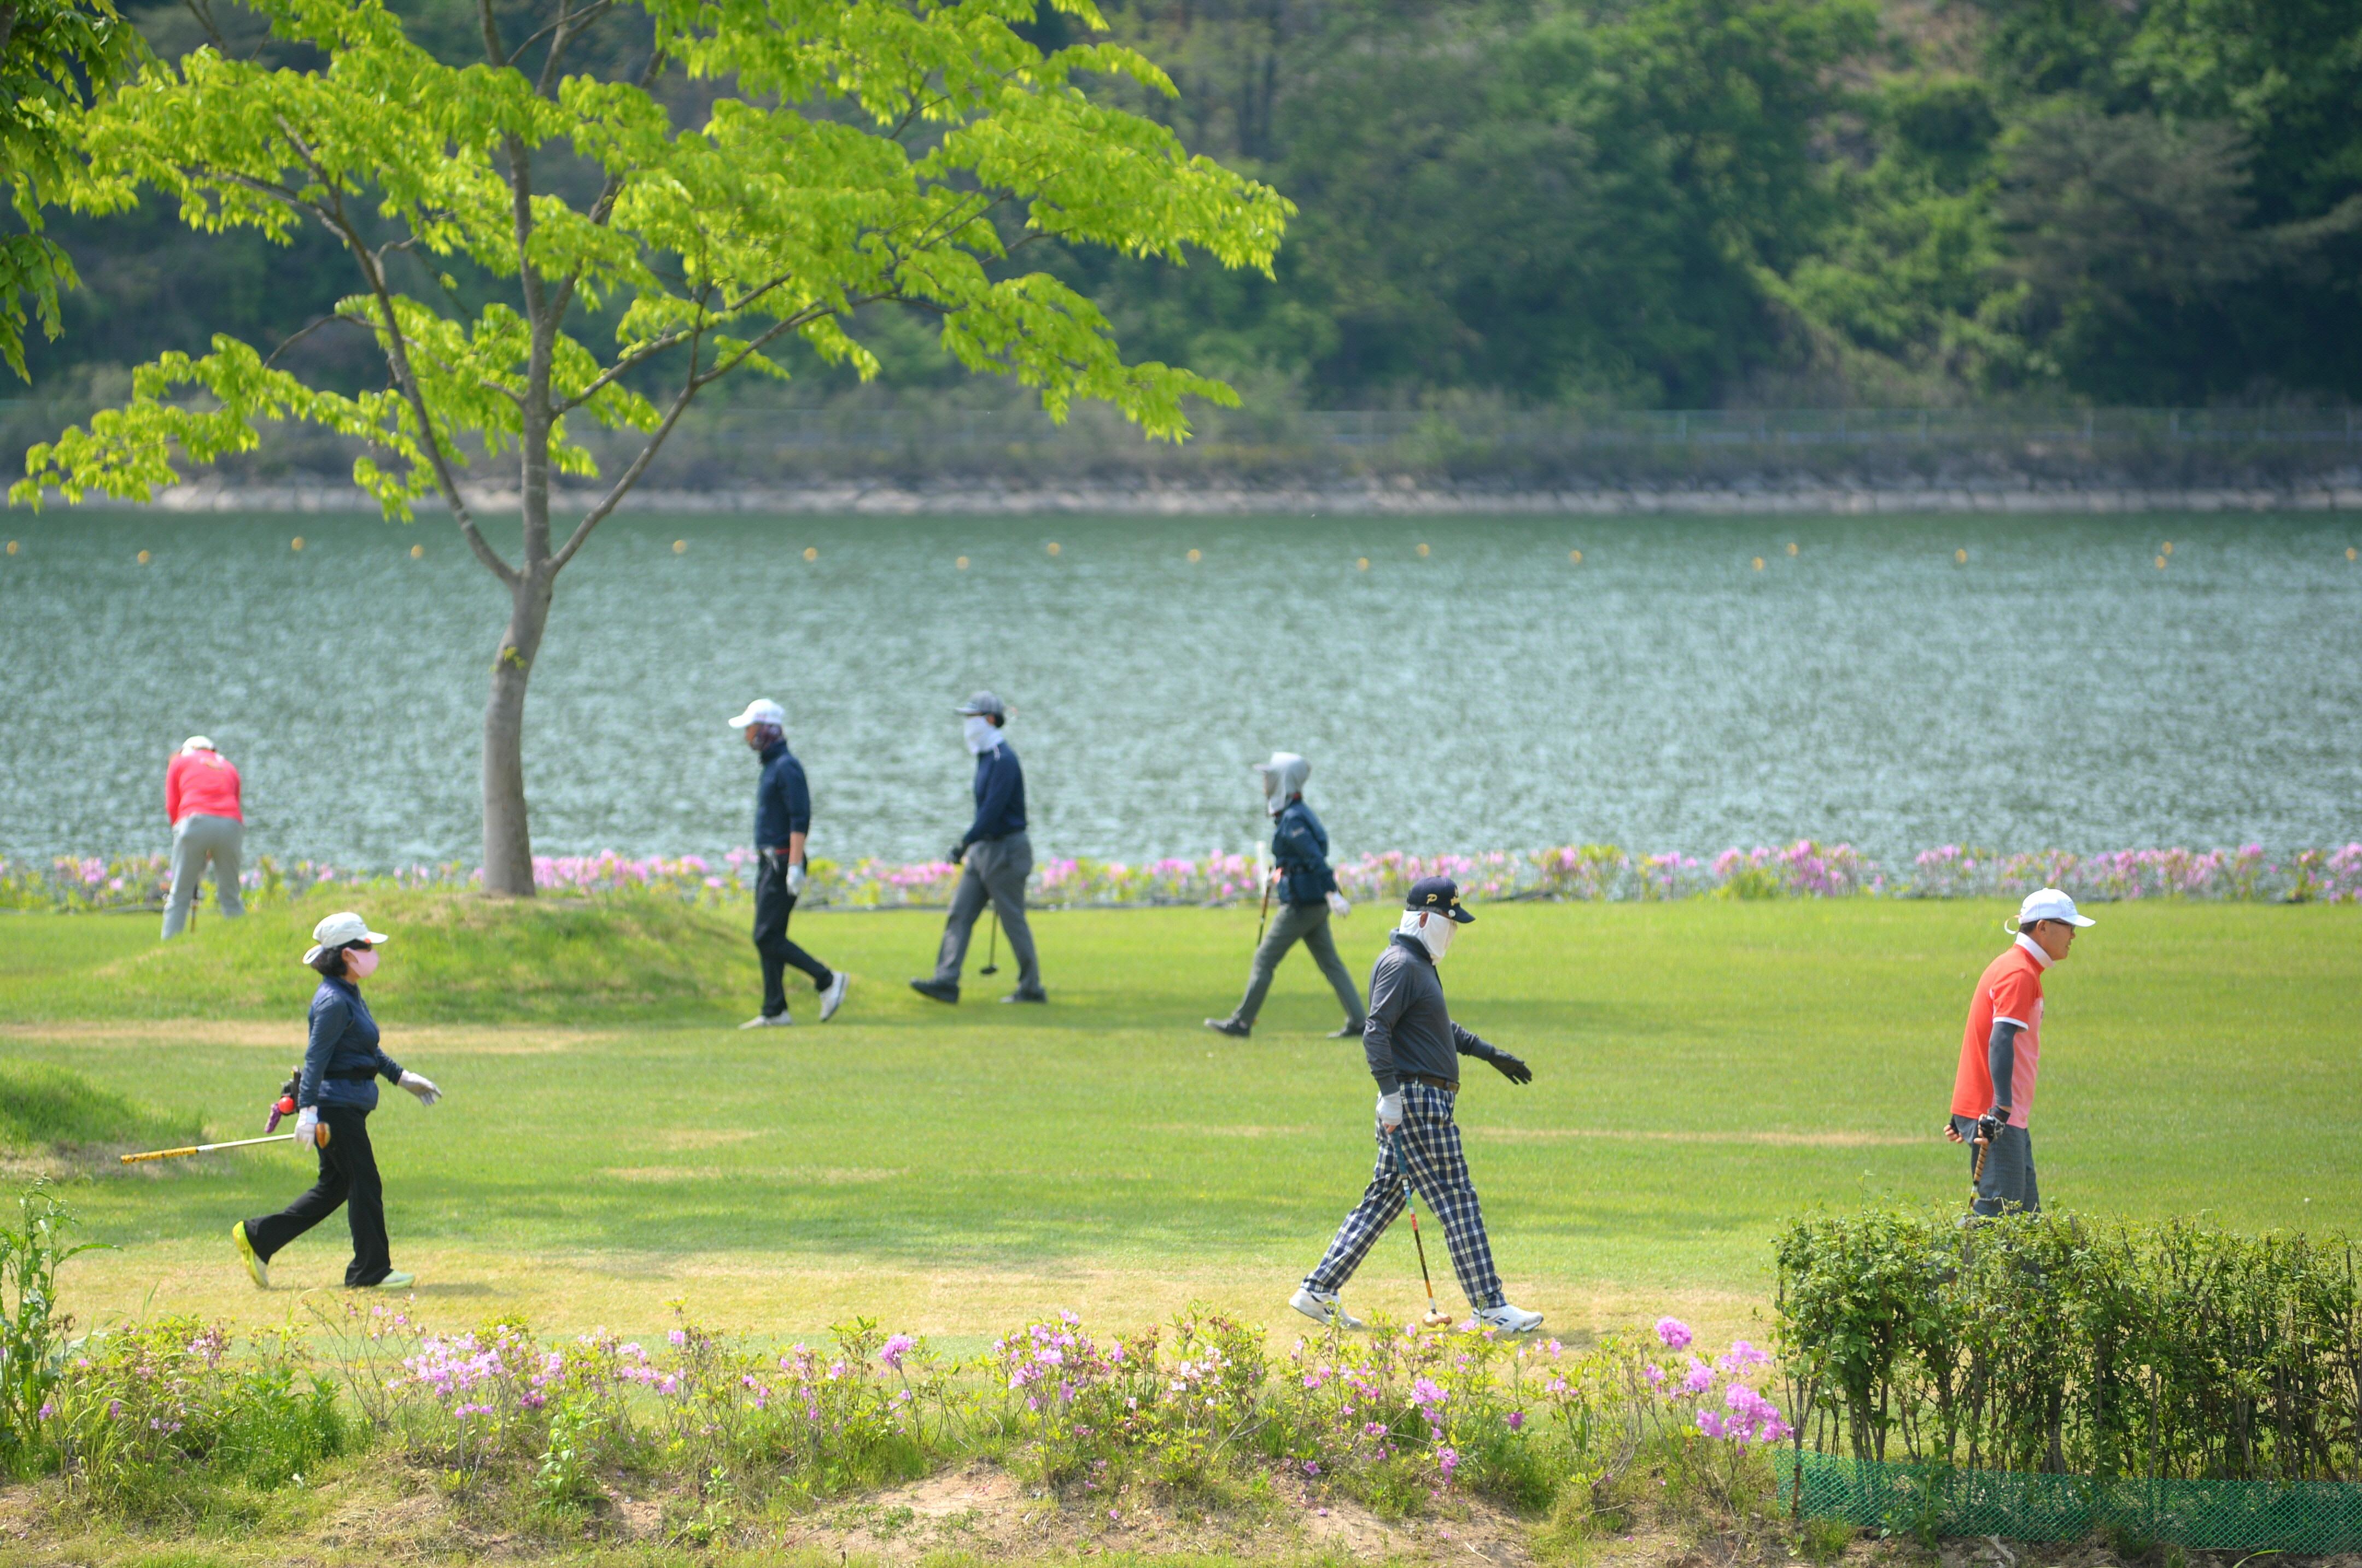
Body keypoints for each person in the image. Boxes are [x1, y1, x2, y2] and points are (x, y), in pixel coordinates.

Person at [1292, 876, 1544, 1333]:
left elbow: (1440, 1028)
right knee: (1457, 1200)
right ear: (1425, 917)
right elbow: (1376, 1030)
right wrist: (1389, 1095)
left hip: (1416, 1101)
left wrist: (1490, 1055)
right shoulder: (1403, 965)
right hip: (1417, 1103)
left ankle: (1318, 1289)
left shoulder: (1418, 964)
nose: (1453, 932)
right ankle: (1491, 1308)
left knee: (1382, 1201)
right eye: (1449, 921)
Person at [231, 911, 441, 1291]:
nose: (372, 952)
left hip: (344, 1105)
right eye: (366, 946)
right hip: (335, 1109)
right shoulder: (333, 1001)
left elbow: (366, 1050)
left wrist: (403, 1078)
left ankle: (259, 1237)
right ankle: (370, 1270)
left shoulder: (349, 994)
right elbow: (316, 1059)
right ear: (348, 954)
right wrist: (308, 1112)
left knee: (336, 1186)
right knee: (365, 1183)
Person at [1946, 886, 2093, 1218]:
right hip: (1999, 1117)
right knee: (1999, 1221)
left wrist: (1968, 1112)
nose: (2073, 934)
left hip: (2003, 1115)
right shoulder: (2019, 973)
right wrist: (1998, 1109)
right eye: (2068, 926)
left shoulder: (2022, 968)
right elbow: (1999, 1040)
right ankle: (1929, 1272)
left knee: (2025, 1222)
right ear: (2042, 928)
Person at [1205, 752, 1364, 1039]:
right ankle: (1360, 1022)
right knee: (1331, 964)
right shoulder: (1296, 814)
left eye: (1270, 777)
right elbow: (1298, 859)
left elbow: (1315, 859)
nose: (1264, 782)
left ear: (1284, 782)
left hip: (1302, 907)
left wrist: (1333, 892)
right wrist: (1278, 872)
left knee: (1264, 959)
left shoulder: (1292, 819)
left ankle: (1241, 1022)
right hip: (1311, 905)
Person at [909, 691, 1043, 1004]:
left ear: (991, 720)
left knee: (1012, 920)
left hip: (1006, 850)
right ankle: (946, 981)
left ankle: (1032, 987)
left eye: (973, 718)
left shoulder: (1002, 759)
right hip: (985, 849)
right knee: (960, 913)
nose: (968, 725)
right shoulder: (985, 757)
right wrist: (971, 844)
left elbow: (992, 811)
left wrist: (964, 843)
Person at [727, 698, 850, 1028]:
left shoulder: (786, 767)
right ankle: (775, 1009)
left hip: (783, 863)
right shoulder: (772, 766)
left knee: (766, 936)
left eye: (750, 729)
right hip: (770, 863)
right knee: (772, 934)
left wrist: (794, 866)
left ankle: (827, 980)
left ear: (765, 729)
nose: (746, 736)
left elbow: (800, 818)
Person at [161, 736, 245, 939]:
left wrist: (187, 843)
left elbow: (173, 806)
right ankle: (242, 943)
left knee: (179, 895)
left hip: (193, 823)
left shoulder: (179, 762)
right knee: (231, 897)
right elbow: (235, 803)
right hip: (232, 826)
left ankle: (169, 949)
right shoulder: (229, 767)